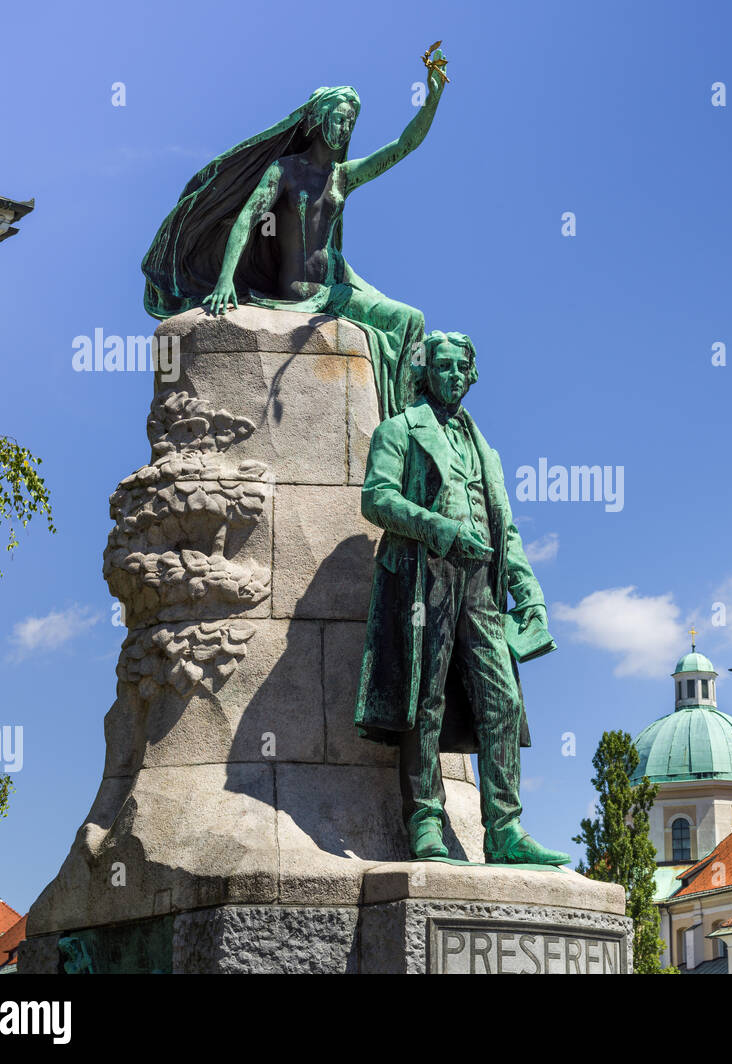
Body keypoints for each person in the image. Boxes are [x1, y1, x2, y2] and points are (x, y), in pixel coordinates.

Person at [356, 331, 569, 865]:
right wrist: (439, 530)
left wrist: (531, 596)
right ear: (426, 372)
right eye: (442, 366)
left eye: (460, 368)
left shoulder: (485, 448)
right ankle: (425, 820)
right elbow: (376, 498)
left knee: (503, 701)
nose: (452, 375)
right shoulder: (398, 430)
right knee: (423, 699)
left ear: (472, 376)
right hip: (423, 577)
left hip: (481, 586)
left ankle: (504, 830)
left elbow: (508, 531)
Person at [141, 51, 449, 421]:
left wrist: (431, 101)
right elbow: (247, 219)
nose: (345, 128)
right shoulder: (284, 171)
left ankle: (409, 421)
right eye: (339, 118)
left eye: (351, 122)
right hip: (305, 290)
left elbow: (402, 146)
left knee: (412, 319)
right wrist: (225, 280)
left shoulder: (343, 176)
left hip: (340, 280)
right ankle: (406, 422)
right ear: (319, 119)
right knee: (405, 320)